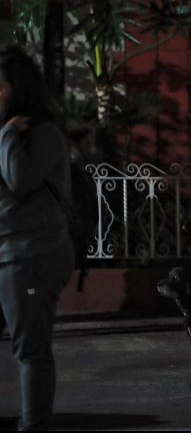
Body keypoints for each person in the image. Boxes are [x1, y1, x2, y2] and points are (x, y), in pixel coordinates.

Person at [0, 45, 75, 430]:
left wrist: (8, 136)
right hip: (8, 253)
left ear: (18, 88)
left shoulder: (41, 134)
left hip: (31, 254)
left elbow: (20, 180)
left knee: (30, 350)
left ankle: (35, 425)